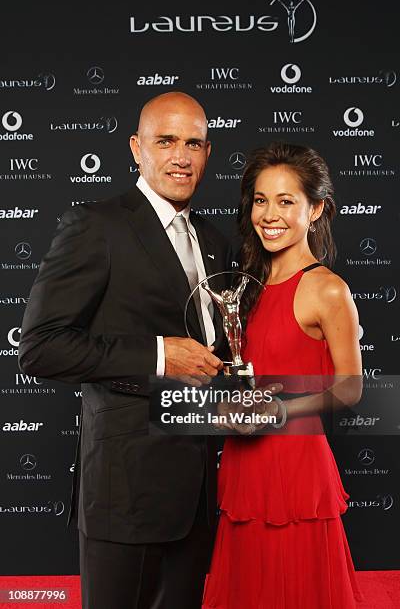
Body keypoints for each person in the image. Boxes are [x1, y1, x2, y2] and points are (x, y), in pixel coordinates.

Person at [18, 92, 231, 609]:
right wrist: (160, 355)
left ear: (207, 153)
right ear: (137, 148)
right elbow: (41, 348)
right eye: (166, 141)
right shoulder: (97, 225)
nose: (181, 155)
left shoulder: (215, 241)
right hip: (125, 493)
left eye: (194, 143)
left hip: (200, 496)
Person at [202, 141, 364, 608]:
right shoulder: (244, 287)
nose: (269, 214)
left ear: (317, 210)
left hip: (295, 473)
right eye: (260, 199)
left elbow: (350, 386)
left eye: (286, 201)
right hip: (244, 465)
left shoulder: (327, 288)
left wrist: (278, 409)